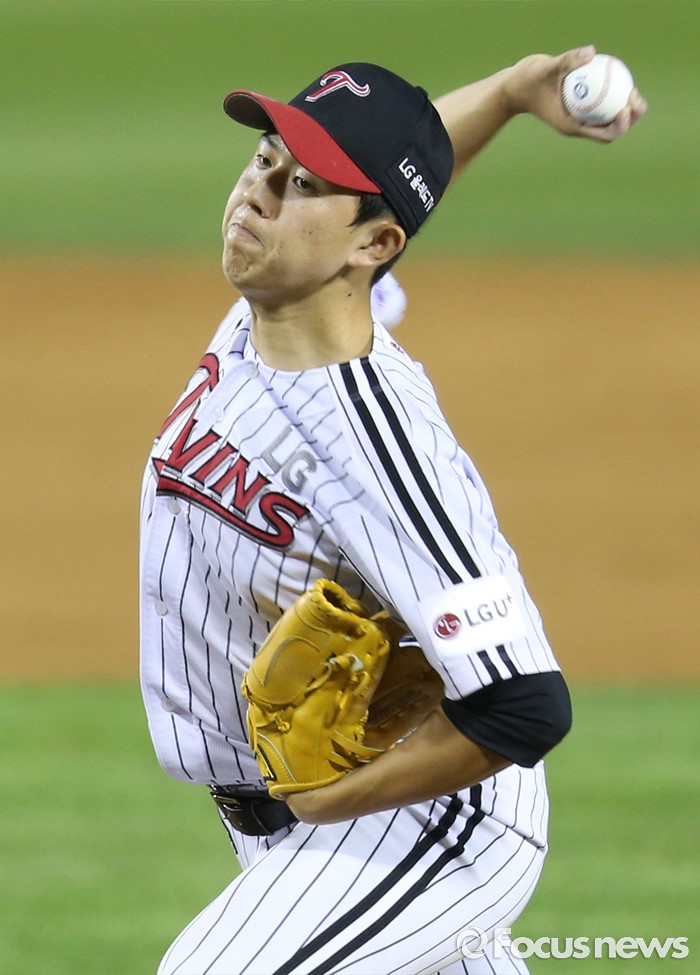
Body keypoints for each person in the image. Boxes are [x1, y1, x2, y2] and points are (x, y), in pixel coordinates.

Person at [140, 47, 646, 975]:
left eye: (301, 185)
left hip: (426, 829)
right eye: (265, 160)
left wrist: (322, 803)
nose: (258, 193)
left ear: (372, 248)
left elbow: (524, 704)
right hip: (310, 834)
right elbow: (392, 180)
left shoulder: (374, 443)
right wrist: (509, 92)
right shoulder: (266, 317)